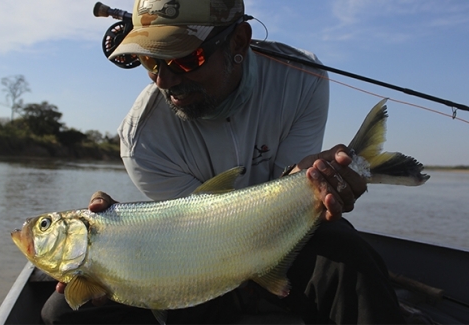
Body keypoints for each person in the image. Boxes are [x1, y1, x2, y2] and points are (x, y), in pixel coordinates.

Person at [42, 0, 405, 323]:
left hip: (283, 233)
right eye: (150, 60)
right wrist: (123, 245)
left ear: (238, 42)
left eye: (186, 59)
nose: (165, 80)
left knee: (347, 253)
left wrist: (315, 179)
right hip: (197, 257)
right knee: (64, 313)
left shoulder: (301, 80)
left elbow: (290, 189)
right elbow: (191, 232)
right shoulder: (142, 139)